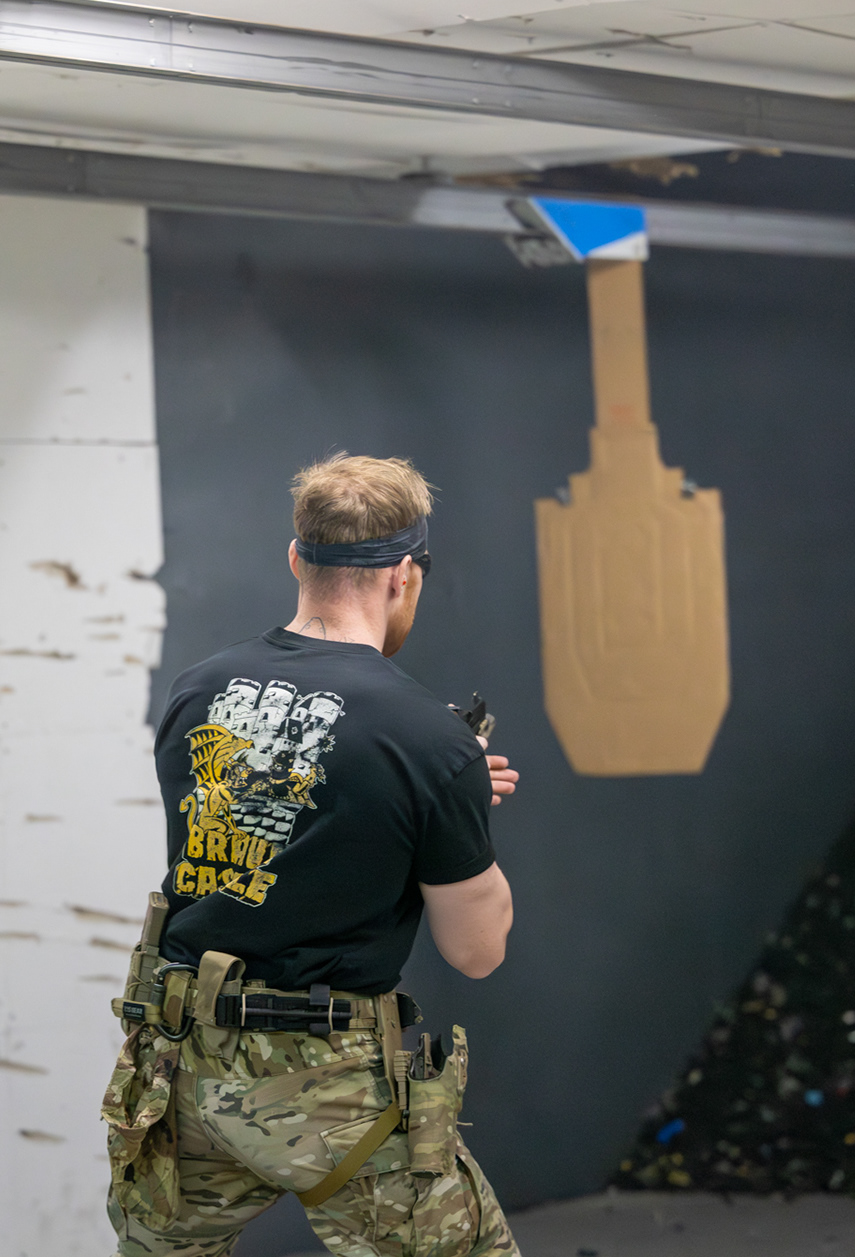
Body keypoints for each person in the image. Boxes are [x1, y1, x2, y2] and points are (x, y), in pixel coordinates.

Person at [101, 453, 520, 1257]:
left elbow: (267, 838)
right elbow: (477, 949)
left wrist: (438, 791)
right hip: (326, 1088)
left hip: (181, 1069)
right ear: (404, 574)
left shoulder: (196, 691)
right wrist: (456, 801)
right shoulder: (429, 739)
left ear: (297, 558)